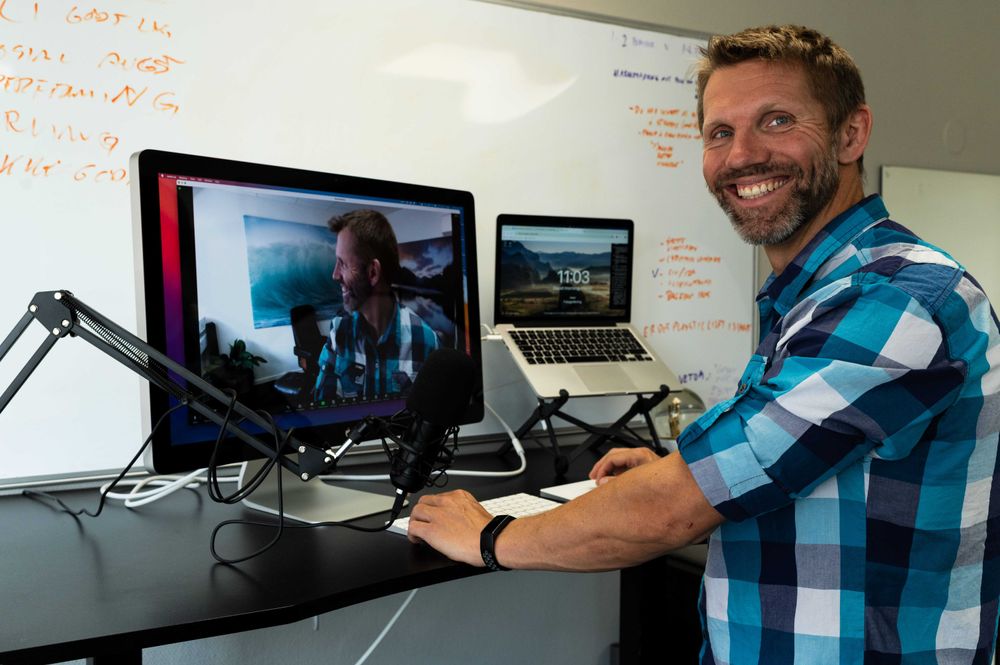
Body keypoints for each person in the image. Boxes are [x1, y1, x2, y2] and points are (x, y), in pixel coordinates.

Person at [406, 25, 1000, 664]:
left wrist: (491, 536)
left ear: (851, 134)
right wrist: (673, 470)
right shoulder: (820, 294)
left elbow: (676, 511)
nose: (742, 156)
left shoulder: (897, 297)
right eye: (720, 133)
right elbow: (779, 448)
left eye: (775, 121)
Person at [313, 209, 439, 401]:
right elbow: (322, 407)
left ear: (372, 272)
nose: (335, 275)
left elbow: (431, 422)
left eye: (343, 264)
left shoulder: (426, 340)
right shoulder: (338, 331)